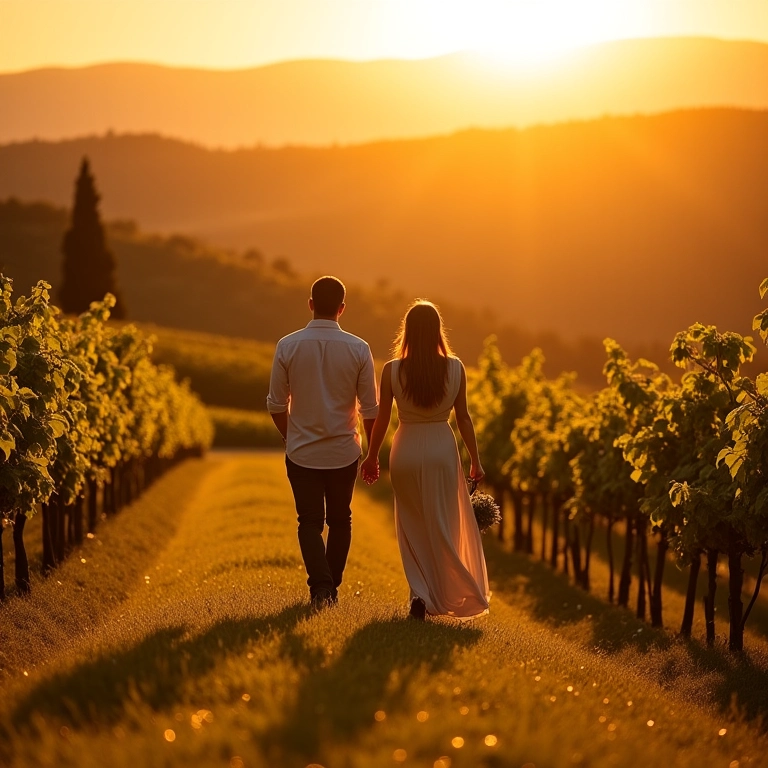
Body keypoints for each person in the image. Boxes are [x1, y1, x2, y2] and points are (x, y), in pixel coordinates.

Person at [361, 300, 490, 620]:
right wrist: (475, 460)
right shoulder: (456, 368)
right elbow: (464, 419)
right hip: (442, 451)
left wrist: (371, 456)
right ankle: (451, 589)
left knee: (412, 525)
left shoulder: (392, 370)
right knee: (443, 523)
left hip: (405, 449)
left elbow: (380, 420)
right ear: (437, 331)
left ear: (407, 331)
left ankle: (420, 593)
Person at [267, 276, 379, 610]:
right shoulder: (359, 349)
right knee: (340, 520)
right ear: (342, 309)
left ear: (310, 304)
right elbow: (370, 409)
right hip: (344, 451)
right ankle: (329, 588)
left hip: (301, 451)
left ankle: (322, 589)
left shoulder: (287, 345)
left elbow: (275, 404)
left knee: (309, 523)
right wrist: (372, 452)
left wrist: (291, 436)